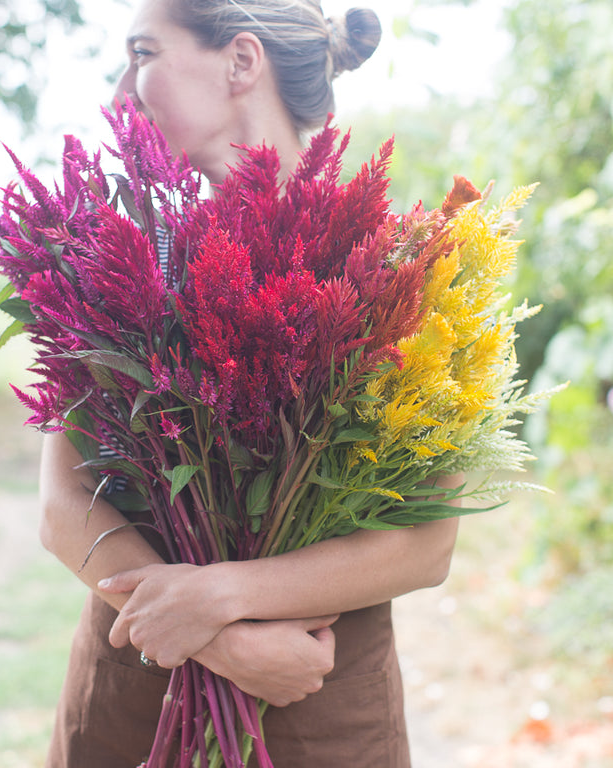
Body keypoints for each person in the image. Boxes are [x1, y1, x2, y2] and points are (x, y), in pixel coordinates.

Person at [39, 1, 462, 766]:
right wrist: (223, 645)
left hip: (317, 713)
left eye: (144, 52)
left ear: (240, 61)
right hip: (134, 701)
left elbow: (428, 546)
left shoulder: (395, 268)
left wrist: (219, 599)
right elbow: (62, 506)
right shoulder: (123, 252)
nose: (124, 89)